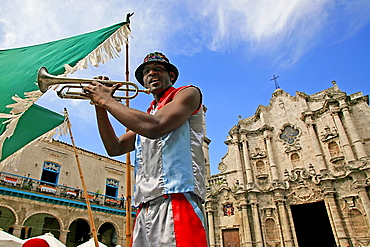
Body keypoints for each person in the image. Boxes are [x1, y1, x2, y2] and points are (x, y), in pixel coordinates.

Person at [84, 52, 208, 247]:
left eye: (158, 69)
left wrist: (107, 100)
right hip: (145, 206)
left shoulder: (188, 93)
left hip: (178, 199)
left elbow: (155, 126)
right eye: (147, 72)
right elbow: (114, 147)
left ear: (171, 76)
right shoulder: (147, 115)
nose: (152, 73)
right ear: (143, 81)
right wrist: (100, 106)